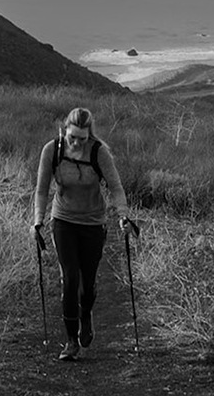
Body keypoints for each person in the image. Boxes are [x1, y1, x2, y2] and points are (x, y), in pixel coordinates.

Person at [31, 107, 132, 361]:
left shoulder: (99, 152)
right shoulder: (51, 150)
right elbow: (41, 190)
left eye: (82, 139)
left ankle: (85, 313)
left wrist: (123, 215)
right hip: (63, 220)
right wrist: (38, 221)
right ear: (65, 130)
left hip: (93, 222)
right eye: (72, 137)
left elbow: (116, 187)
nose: (76, 143)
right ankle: (71, 341)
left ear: (90, 136)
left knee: (87, 284)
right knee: (69, 278)